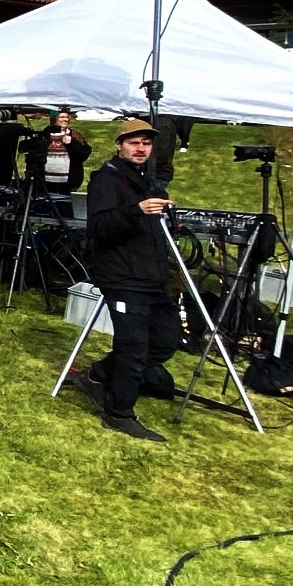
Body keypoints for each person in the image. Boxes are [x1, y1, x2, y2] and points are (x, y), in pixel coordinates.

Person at [73, 118, 182, 443]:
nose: (141, 148)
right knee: (133, 346)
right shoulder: (105, 180)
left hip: (151, 275)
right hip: (121, 275)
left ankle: (99, 375)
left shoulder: (145, 180)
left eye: (146, 143)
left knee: (166, 338)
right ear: (119, 145)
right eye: (134, 142)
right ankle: (119, 413)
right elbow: (100, 227)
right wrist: (137, 210)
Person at [31, 110, 90, 191]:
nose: (65, 119)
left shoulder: (75, 135)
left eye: (67, 117)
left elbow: (84, 154)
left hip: (68, 182)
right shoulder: (44, 136)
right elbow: (35, 156)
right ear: (54, 119)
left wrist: (72, 143)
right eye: (62, 117)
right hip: (45, 182)